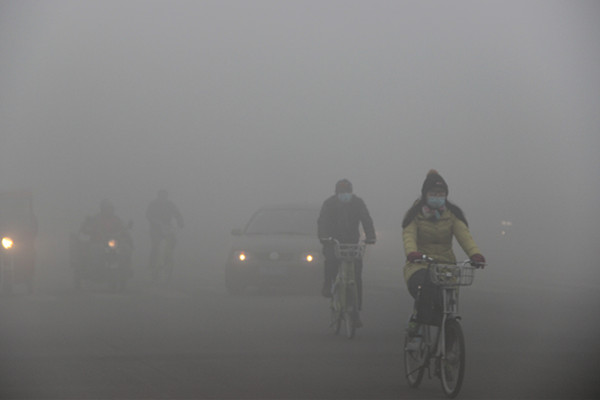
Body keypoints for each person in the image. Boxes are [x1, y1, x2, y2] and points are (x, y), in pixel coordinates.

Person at [402, 170, 485, 333]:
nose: (437, 196)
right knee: (425, 286)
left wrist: (475, 254)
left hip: (446, 266)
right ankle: (417, 320)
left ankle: (449, 339)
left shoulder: (452, 215)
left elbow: (464, 236)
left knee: (448, 303)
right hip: (420, 264)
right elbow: (408, 235)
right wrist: (412, 253)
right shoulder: (415, 215)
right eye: (433, 193)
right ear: (425, 194)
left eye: (441, 193)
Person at [317, 179, 376, 313]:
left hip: (352, 243)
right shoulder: (329, 204)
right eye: (342, 192)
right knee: (331, 262)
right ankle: (328, 285)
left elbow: (366, 219)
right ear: (337, 193)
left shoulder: (357, 203)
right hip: (333, 241)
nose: (345, 194)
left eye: (347, 192)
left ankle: (356, 309)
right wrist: (324, 237)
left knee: (356, 274)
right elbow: (322, 222)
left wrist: (370, 236)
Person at [78, 199, 133, 277]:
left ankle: (125, 268)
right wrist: (90, 230)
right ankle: (95, 269)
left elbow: (123, 228)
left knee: (126, 249)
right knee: (95, 251)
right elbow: (87, 228)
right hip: (98, 243)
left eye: (110, 208)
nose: (109, 210)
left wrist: (126, 232)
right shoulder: (96, 219)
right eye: (107, 208)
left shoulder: (116, 219)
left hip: (114, 243)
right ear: (102, 209)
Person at [146, 190, 183, 280]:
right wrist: (154, 221)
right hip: (156, 229)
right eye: (161, 196)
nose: (163, 198)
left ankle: (168, 260)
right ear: (158, 196)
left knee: (172, 242)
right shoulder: (153, 204)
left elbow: (177, 213)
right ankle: (152, 265)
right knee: (155, 246)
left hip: (167, 228)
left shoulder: (170, 204)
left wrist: (180, 221)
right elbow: (148, 215)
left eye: (164, 196)